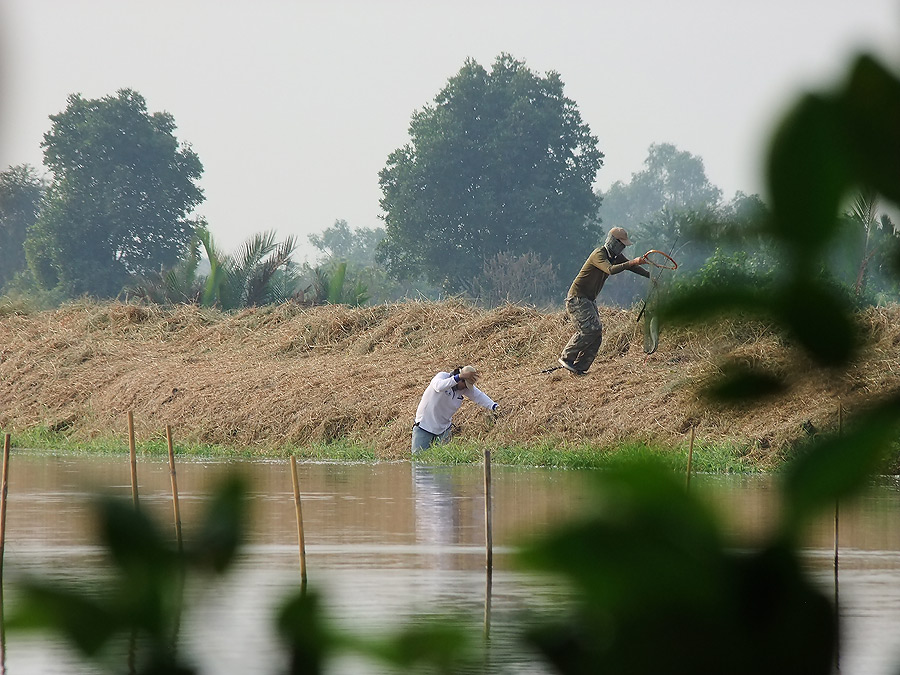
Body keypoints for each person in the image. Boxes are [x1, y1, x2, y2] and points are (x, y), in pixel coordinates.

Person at [558, 226, 650, 375]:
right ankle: (566, 357)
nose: (622, 248)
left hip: (589, 299)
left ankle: (579, 367)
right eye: (621, 244)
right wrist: (633, 262)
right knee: (590, 329)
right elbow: (611, 270)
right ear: (613, 241)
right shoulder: (599, 254)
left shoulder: (615, 257)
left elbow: (629, 267)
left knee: (597, 334)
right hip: (577, 298)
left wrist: (649, 275)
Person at [412, 365, 499, 455]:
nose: (466, 388)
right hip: (424, 426)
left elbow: (479, 396)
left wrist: (494, 406)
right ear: (460, 379)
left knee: (443, 461)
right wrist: (459, 377)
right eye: (465, 384)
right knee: (418, 461)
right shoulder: (442, 376)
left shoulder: (463, 388)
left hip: (444, 429)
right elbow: (439, 387)